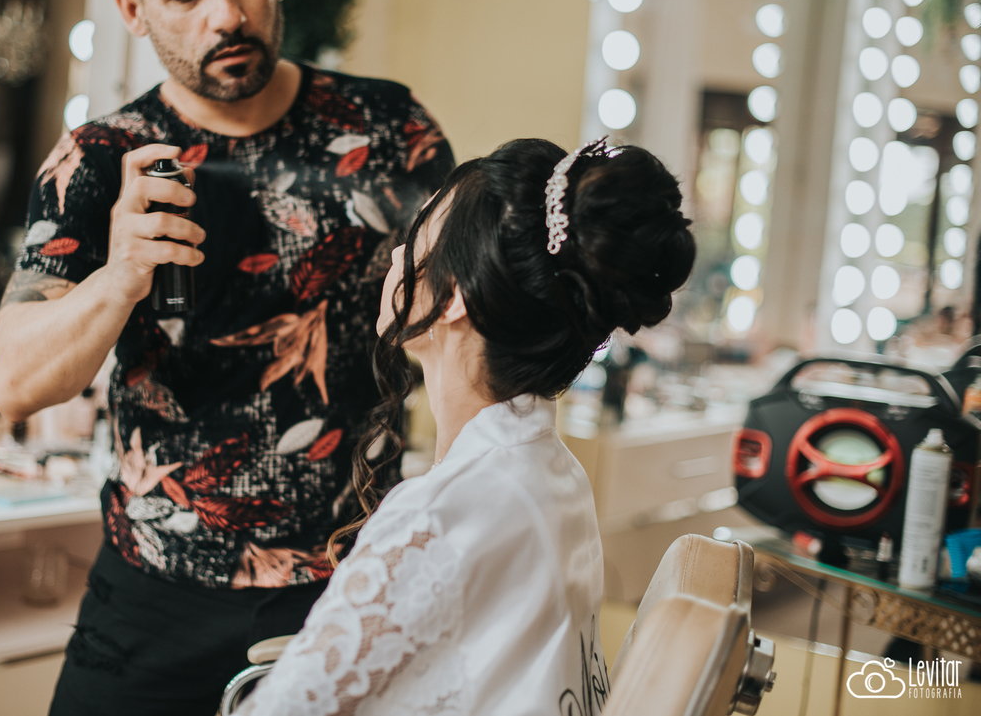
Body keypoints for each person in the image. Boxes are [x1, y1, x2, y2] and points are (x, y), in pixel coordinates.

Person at [0, 0, 453, 712]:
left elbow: (466, 319)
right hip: (153, 595)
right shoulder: (100, 159)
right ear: (132, 10)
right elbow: (15, 383)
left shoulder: (388, 131)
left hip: (350, 592)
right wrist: (120, 276)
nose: (227, 15)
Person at [233, 138, 696, 714]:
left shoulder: (440, 516)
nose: (397, 254)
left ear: (452, 295)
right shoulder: (558, 473)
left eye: (417, 236)